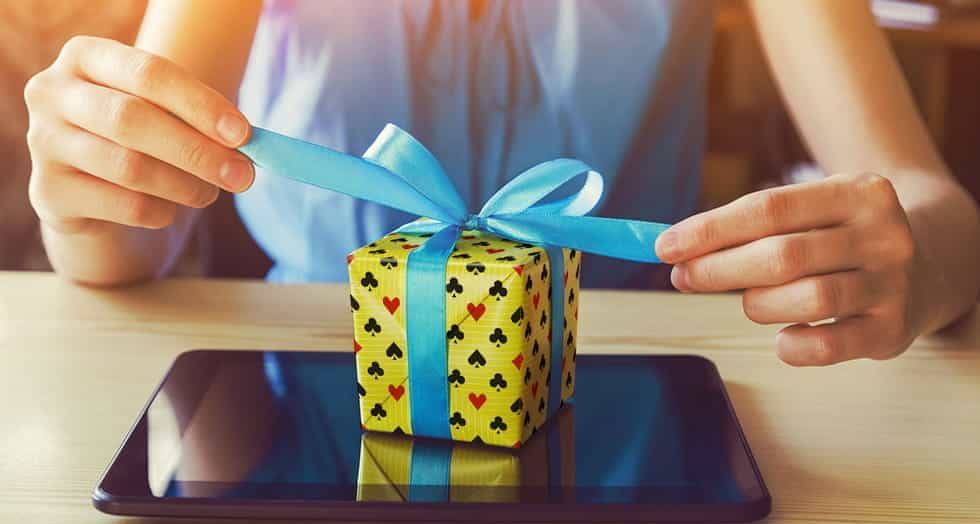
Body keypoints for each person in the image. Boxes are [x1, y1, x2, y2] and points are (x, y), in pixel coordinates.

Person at [23, 0, 980, 367]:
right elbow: (132, 227)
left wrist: (923, 261)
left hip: (635, 400)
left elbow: (932, 205)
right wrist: (83, 201)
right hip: (308, 395)